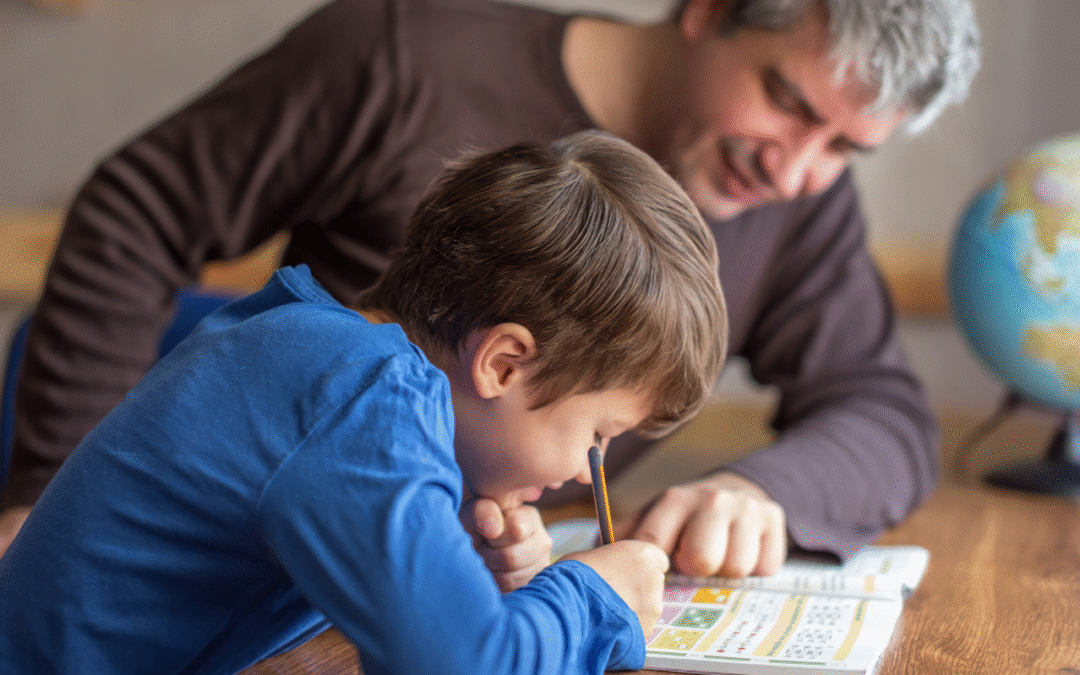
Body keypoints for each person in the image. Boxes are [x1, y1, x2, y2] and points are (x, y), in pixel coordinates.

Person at [0, 0, 981, 575]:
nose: (798, 172)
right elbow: (139, 211)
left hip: (435, 568)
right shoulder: (398, 54)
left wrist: (760, 489)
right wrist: (50, 493)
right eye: (787, 102)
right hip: (255, 553)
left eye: (847, 148)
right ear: (710, 13)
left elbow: (881, 407)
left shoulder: (801, 198)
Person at [0, 132, 728, 674]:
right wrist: (589, 596)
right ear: (504, 363)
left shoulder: (317, 346)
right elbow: (463, 666)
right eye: (597, 436)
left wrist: (460, 564)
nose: (583, 471)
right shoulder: (367, 395)